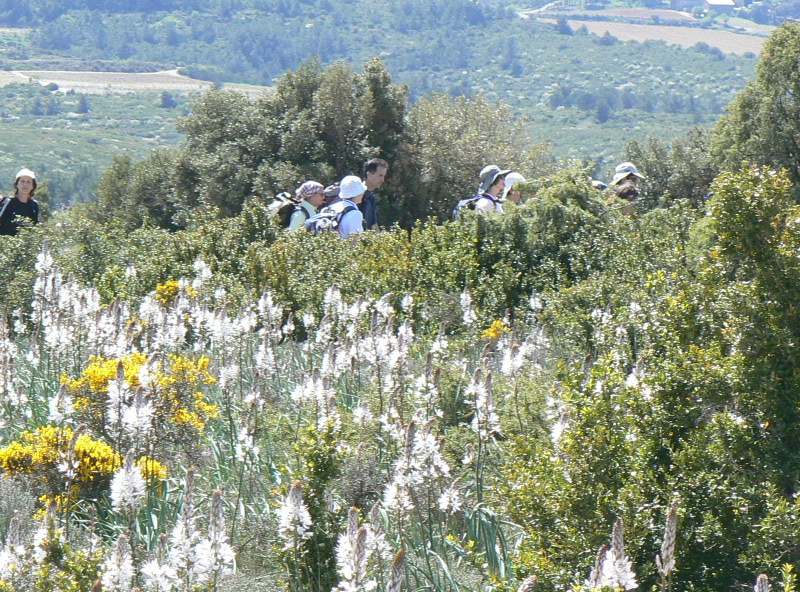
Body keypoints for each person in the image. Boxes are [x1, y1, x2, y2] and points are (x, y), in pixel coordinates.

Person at [0, 168, 40, 236]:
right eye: (22, 181)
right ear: (17, 184)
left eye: (28, 182)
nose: (25, 184)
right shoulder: (8, 202)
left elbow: (34, 228)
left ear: (33, 186)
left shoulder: (34, 205)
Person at [359, 158, 388, 230]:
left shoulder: (371, 197)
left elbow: (374, 225)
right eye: (380, 175)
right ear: (369, 175)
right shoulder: (356, 195)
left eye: (384, 176)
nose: (383, 180)